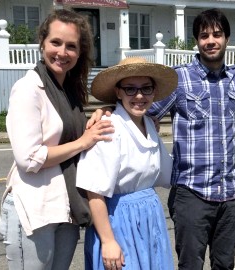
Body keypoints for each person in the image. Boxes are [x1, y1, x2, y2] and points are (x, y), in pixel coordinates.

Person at [146, 8, 235, 269]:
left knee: (225, 264)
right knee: (190, 265)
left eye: (217, 34)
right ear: (197, 41)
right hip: (192, 194)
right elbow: (142, 110)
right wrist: (105, 113)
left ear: (227, 39)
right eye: (204, 35)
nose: (211, 40)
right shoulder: (179, 80)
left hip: (231, 194)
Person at [0, 9, 113, 270]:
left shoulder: (69, 92)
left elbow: (74, 132)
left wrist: (98, 115)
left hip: (65, 205)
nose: (62, 52)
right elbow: (29, 158)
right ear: (42, 43)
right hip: (34, 207)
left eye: (71, 46)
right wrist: (84, 141)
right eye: (56, 42)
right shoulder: (29, 89)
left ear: (80, 52)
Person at [76, 57, 177, 270]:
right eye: (130, 89)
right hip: (119, 221)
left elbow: (165, 173)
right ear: (118, 92)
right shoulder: (109, 127)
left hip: (148, 218)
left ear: (154, 92)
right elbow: (94, 191)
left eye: (146, 88)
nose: (139, 95)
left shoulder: (149, 124)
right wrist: (108, 241)